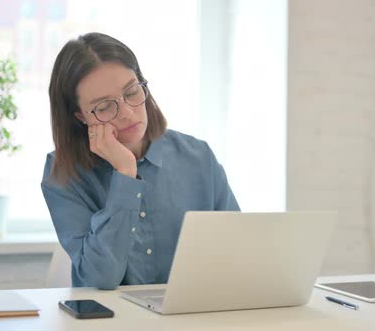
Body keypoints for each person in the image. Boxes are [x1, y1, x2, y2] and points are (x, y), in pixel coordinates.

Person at [41, 32, 239, 290]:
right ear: (81, 117)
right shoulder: (63, 174)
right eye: (104, 107)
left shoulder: (198, 157)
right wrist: (125, 174)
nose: (126, 112)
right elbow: (100, 278)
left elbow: (237, 255)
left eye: (131, 92)